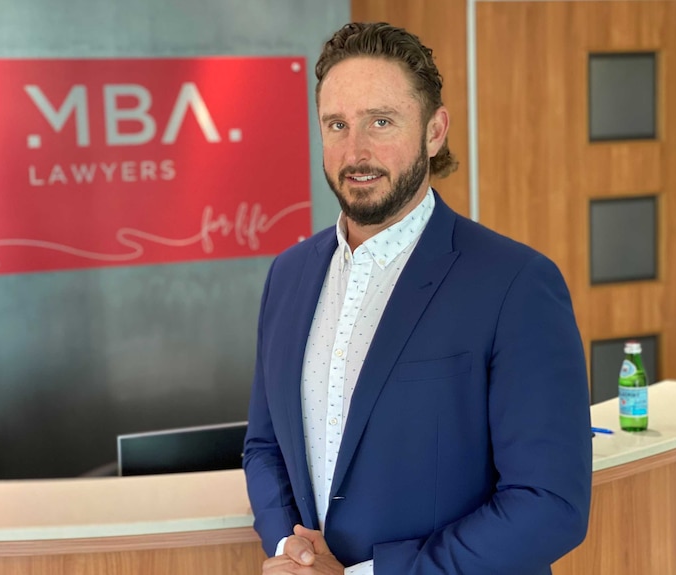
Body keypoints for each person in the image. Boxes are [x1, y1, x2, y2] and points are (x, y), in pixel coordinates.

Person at [243, 21, 592, 575]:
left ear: (434, 132)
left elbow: (550, 505)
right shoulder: (288, 276)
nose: (355, 151)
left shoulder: (517, 283)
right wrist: (294, 550)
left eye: (381, 122)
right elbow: (264, 448)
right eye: (337, 125)